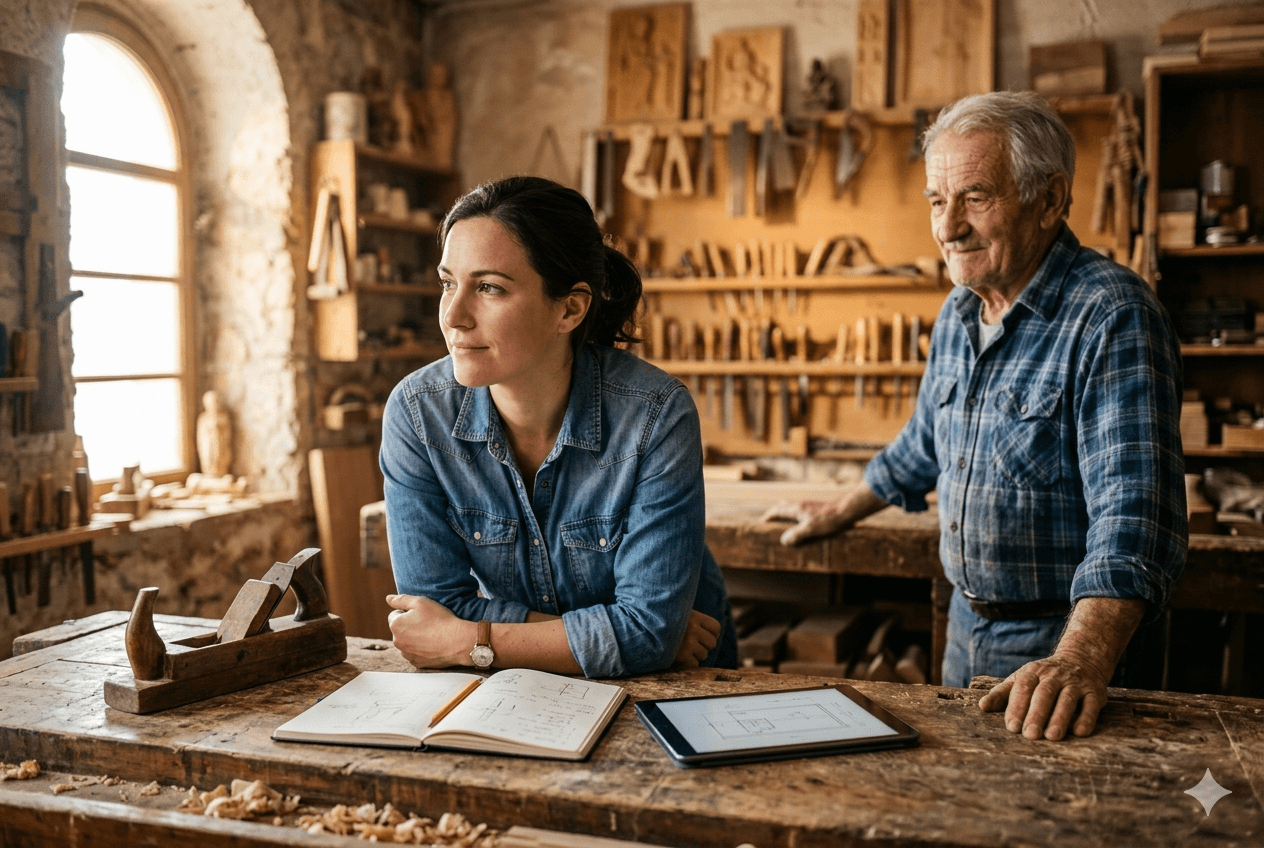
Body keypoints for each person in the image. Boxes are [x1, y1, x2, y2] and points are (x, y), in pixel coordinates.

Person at [764, 91, 1187, 741]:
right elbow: (925, 442)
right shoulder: (961, 311)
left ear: (1049, 200)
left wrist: (1080, 658)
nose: (947, 227)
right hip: (966, 627)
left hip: (1063, 647)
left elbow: (1135, 520)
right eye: (938, 200)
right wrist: (841, 508)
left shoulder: (1112, 315)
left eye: (975, 198)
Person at [381, 175, 737, 678]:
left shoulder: (655, 414)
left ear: (569, 308)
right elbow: (429, 612)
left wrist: (468, 639)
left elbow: (446, 631)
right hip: (527, 693)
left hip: (679, 683)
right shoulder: (418, 414)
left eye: (489, 288)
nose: (453, 316)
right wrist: (625, 637)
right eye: (447, 283)